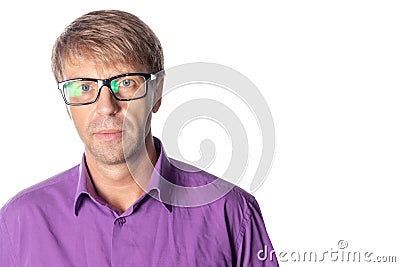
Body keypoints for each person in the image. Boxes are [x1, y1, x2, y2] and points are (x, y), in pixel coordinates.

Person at [0, 10, 278, 266]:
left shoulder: (231, 212)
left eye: (125, 83)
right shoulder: (19, 222)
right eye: (84, 86)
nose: (106, 106)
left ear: (156, 93)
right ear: (67, 103)